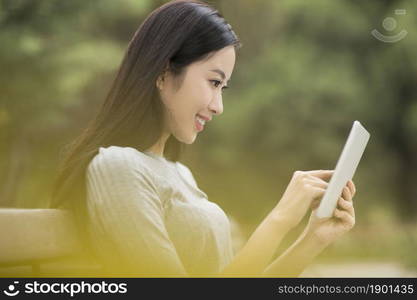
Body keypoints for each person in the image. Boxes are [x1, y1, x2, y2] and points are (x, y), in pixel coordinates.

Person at [51, 0, 356, 277]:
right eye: (213, 82)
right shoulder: (117, 167)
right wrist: (278, 220)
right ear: (162, 74)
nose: (218, 106)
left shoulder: (180, 173)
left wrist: (311, 240)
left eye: (222, 88)